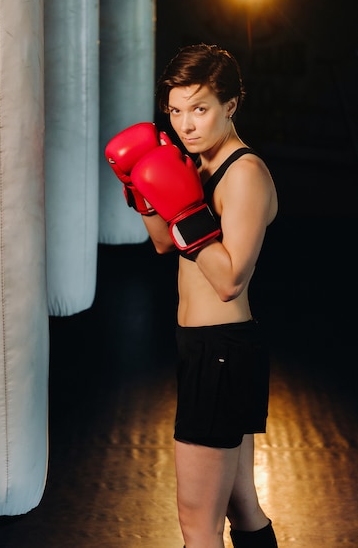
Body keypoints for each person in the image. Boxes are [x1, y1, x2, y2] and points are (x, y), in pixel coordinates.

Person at [105, 43, 279, 548]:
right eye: (176, 111)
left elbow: (228, 281)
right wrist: (142, 190)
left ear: (231, 105)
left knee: (196, 524)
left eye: (200, 109)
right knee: (242, 505)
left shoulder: (243, 174)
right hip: (209, 348)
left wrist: (185, 210)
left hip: (221, 348)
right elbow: (165, 244)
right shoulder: (195, 166)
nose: (186, 125)